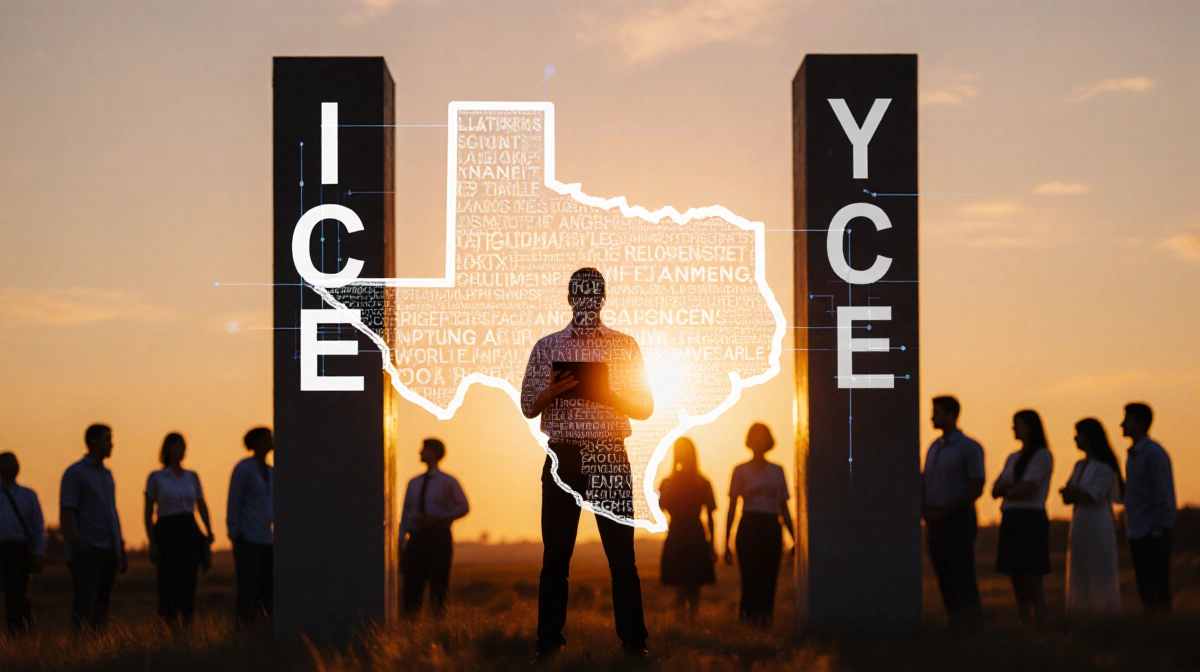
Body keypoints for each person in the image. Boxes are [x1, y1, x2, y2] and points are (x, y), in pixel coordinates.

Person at [521, 267, 653, 661]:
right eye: (580, 294)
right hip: (564, 456)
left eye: (593, 295)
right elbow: (529, 406)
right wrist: (552, 391)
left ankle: (634, 643)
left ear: (603, 298)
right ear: (570, 298)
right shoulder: (547, 347)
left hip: (609, 455)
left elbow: (645, 407)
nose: (587, 301)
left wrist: (610, 394)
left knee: (622, 559)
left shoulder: (625, 346)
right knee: (556, 557)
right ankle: (547, 643)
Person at [921, 395, 984, 633]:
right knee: (944, 577)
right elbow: (926, 482)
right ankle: (956, 626)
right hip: (935, 522)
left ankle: (972, 631)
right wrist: (926, 511)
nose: (931, 417)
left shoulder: (969, 447)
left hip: (957, 521)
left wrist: (947, 511)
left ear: (951, 415)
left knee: (962, 576)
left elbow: (976, 485)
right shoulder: (933, 448)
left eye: (936, 412)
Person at [723, 422, 794, 626]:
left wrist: (795, 537)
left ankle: (765, 621)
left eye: (764, 436)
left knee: (769, 578)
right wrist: (726, 540)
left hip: (771, 526)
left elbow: (784, 507)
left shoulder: (778, 470)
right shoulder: (740, 470)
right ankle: (747, 623)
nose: (760, 441)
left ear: (769, 441)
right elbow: (732, 507)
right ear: (750, 441)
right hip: (749, 527)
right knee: (750, 578)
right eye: (756, 436)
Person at [60, 423, 127, 631]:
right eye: (107, 439)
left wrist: (120, 546)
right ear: (93, 442)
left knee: (101, 606)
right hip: (87, 549)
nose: (111, 444)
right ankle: (79, 652)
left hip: (108, 548)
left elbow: (112, 512)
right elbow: (67, 511)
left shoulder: (107, 475)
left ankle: (96, 652)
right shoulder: (75, 473)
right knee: (84, 606)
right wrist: (77, 543)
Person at [144, 433, 214, 626]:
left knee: (189, 580)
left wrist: (208, 532)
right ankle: (167, 626)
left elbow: (201, 505)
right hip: (167, 530)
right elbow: (148, 511)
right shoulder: (157, 477)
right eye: (177, 445)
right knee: (167, 582)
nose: (181, 450)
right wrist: (152, 540)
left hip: (189, 529)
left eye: (183, 445)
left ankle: (187, 625)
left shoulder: (192, 476)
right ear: (168, 449)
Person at [991, 410, 1053, 627]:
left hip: (1030, 518)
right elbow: (995, 489)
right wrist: (1011, 489)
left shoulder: (1043, 455)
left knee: (1033, 577)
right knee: (1016, 576)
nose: (1013, 429)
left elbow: (1027, 488)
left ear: (1029, 426)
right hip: (1011, 517)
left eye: (1017, 424)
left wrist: (1009, 489)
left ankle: (1042, 625)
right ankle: (1025, 623)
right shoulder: (1012, 457)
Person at [399, 438, 469, 618]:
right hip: (416, 539)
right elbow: (406, 514)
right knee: (411, 587)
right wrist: (400, 543)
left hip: (438, 538)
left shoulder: (448, 482)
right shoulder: (413, 483)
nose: (420, 452)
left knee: (439, 587)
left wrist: (437, 519)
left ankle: (439, 632)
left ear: (434, 453)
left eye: (424, 449)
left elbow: (463, 507)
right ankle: (410, 631)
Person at [1061, 418, 1123, 616]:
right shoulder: (1079, 466)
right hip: (1080, 524)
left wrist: (1075, 494)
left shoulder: (1105, 468)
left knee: (1099, 570)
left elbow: (1091, 496)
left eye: (1078, 434)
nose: (1075, 438)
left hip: (1098, 524)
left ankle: (1105, 614)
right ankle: (1081, 614)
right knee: (1080, 570)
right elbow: (1071, 494)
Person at [1120, 402, 1176, 616]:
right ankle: (1154, 630)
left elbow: (1164, 493)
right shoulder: (1134, 455)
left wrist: (1158, 529)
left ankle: (1164, 633)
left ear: (1139, 423)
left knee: (1158, 588)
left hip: (1151, 532)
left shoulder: (1153, 453)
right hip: (1137, 530)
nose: (1122, 424)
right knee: (1145, 588)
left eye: (1127, 419)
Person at [657, 438, 717, 620]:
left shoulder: (696, 482)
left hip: (686, 533)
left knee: (689, 583)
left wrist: (712, 543)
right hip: (683, 532)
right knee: (684, 583)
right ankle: (686, 621)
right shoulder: (699, 482)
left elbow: (710, 515)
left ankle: (688, 621)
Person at [228, 427, 274, 627]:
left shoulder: (271, 471)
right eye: (267, 437)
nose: (271, 441)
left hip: (267, 538)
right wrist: (235, 532)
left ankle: (262, 629)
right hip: (248, 537)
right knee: (248, 588)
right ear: (255, 442)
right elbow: (234, 500)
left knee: (267, 589)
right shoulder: (244, 468)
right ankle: (243, 631)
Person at [0, 452, 46, 634]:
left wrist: (38, 554)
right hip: (2, 549)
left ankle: (20, 635)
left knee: (19, 597)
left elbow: (38, 527)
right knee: (14, 596)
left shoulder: (28, 495)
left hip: (19, 550)